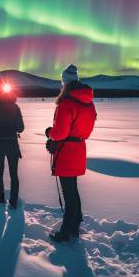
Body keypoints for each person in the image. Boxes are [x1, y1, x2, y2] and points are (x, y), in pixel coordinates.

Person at [45, 64, 96, 242]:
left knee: (69, 193)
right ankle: (75, 225)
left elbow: (59, 133)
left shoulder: (66, 103)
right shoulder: (88, 103)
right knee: (72, 189)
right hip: (79, 149)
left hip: (66, 152)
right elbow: (87, 130)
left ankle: (66, 231)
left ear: (64, 82)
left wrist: (49, 132)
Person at [0, 83, 24, 209]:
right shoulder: (15, 107)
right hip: (12, 143)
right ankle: (13, 201)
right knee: (14, 173)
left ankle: (1, 199)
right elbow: (21, 128)